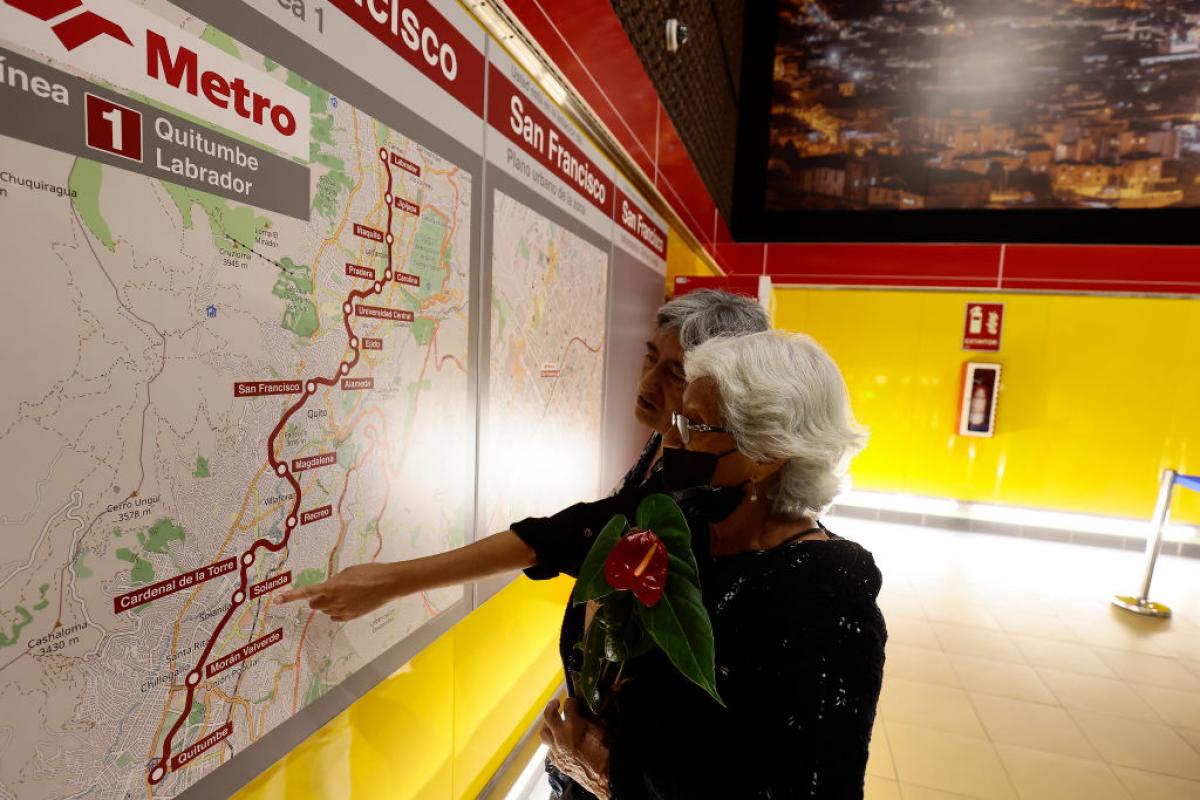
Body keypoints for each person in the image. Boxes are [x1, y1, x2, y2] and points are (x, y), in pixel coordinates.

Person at [277, 288, 768, 621]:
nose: (647, 384)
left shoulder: (707, 482)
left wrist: (392, 581)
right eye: (649, 357)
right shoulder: (669, 438)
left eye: (676, 373)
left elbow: (571, 533)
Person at [538, 330, 885, 799]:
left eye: (695, 426)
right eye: (678, 418)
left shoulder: (825, 605)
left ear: (765, 454)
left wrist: (607, 774)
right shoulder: (685, 533)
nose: (672, 439)